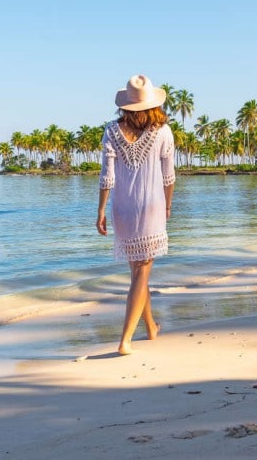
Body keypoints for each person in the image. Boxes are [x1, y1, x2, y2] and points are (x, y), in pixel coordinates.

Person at [96, 74, 176, 355]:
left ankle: (151, 327)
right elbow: (168, 177)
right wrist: (167, 206)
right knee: (141, 272)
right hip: (151, 207)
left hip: (123, 208)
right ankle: (125, 340)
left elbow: (107, 177)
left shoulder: (111, 131)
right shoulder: (163, 132)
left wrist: (101, 209)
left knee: (138, 272)